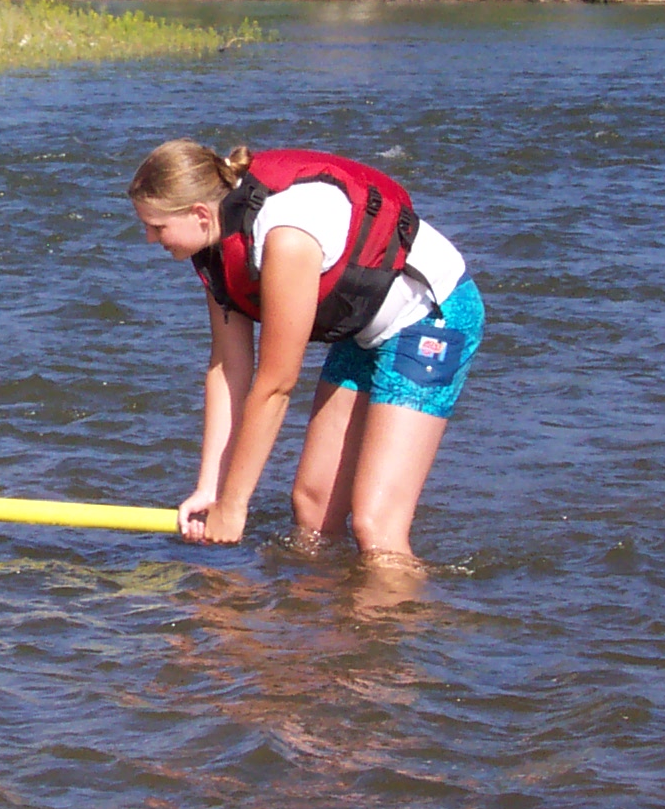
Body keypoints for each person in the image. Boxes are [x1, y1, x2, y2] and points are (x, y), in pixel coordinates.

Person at [129, 140, 483, 564]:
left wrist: (235, 506)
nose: (150, 239)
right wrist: (212, 489)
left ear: (200, 213)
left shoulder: (287, 239)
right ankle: (323, 626)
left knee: (376, 526)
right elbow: (229, 367)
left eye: (156, 226)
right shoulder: (214, 244)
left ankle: (396, 626)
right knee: (312, 511)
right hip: (364, 328)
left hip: (432, 318)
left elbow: (276, 384)